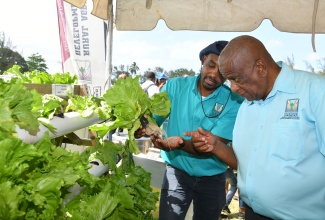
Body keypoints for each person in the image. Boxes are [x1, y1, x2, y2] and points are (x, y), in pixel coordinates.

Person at [184, 35, 325, 220]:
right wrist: (216, 146)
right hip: (253, 213)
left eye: (236, 79)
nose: (233, 89)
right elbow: (246, 166)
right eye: (229, 81)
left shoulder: (315, 91)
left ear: (260, 67)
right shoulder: (247, 104)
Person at [136, 41, 243, 220]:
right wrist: (141, 127)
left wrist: (178, 143)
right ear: (203, 60)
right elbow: (153, 120)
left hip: (213, 178)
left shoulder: (233, 101)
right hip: (177, 173)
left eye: (222, 71)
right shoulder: (174, 86)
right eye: (211, 65)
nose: (213, 74)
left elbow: (211, 145)